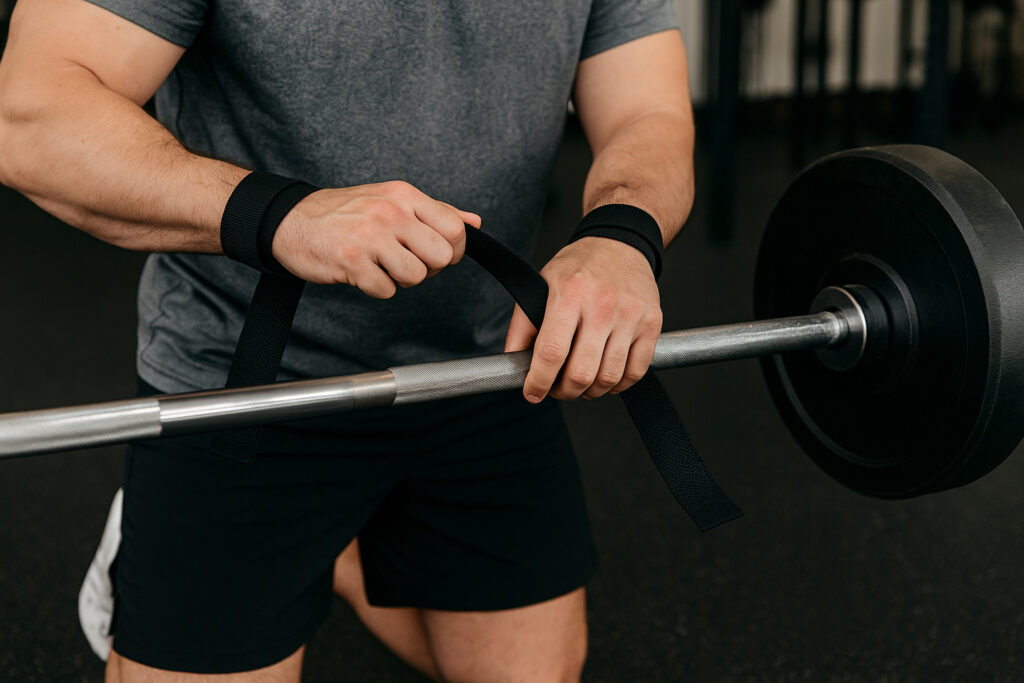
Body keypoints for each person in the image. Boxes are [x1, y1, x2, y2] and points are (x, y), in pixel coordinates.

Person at [0, 0, 696, 679]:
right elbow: (29, 116)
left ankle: (345, 548)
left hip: (481, 365)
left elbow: (648, 112)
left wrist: (620, 236)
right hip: (250, 382)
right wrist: (283, 216)